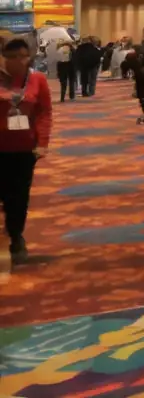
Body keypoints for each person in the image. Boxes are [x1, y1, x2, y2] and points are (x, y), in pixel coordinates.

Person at [0, 37, 52, 265]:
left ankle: (16, 236)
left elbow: (44, 112)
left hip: (23, 149)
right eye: (12, 57)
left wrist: (42, 143)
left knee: (18, 198)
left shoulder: (37, 79)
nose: (18, 61)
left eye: (23, 56)